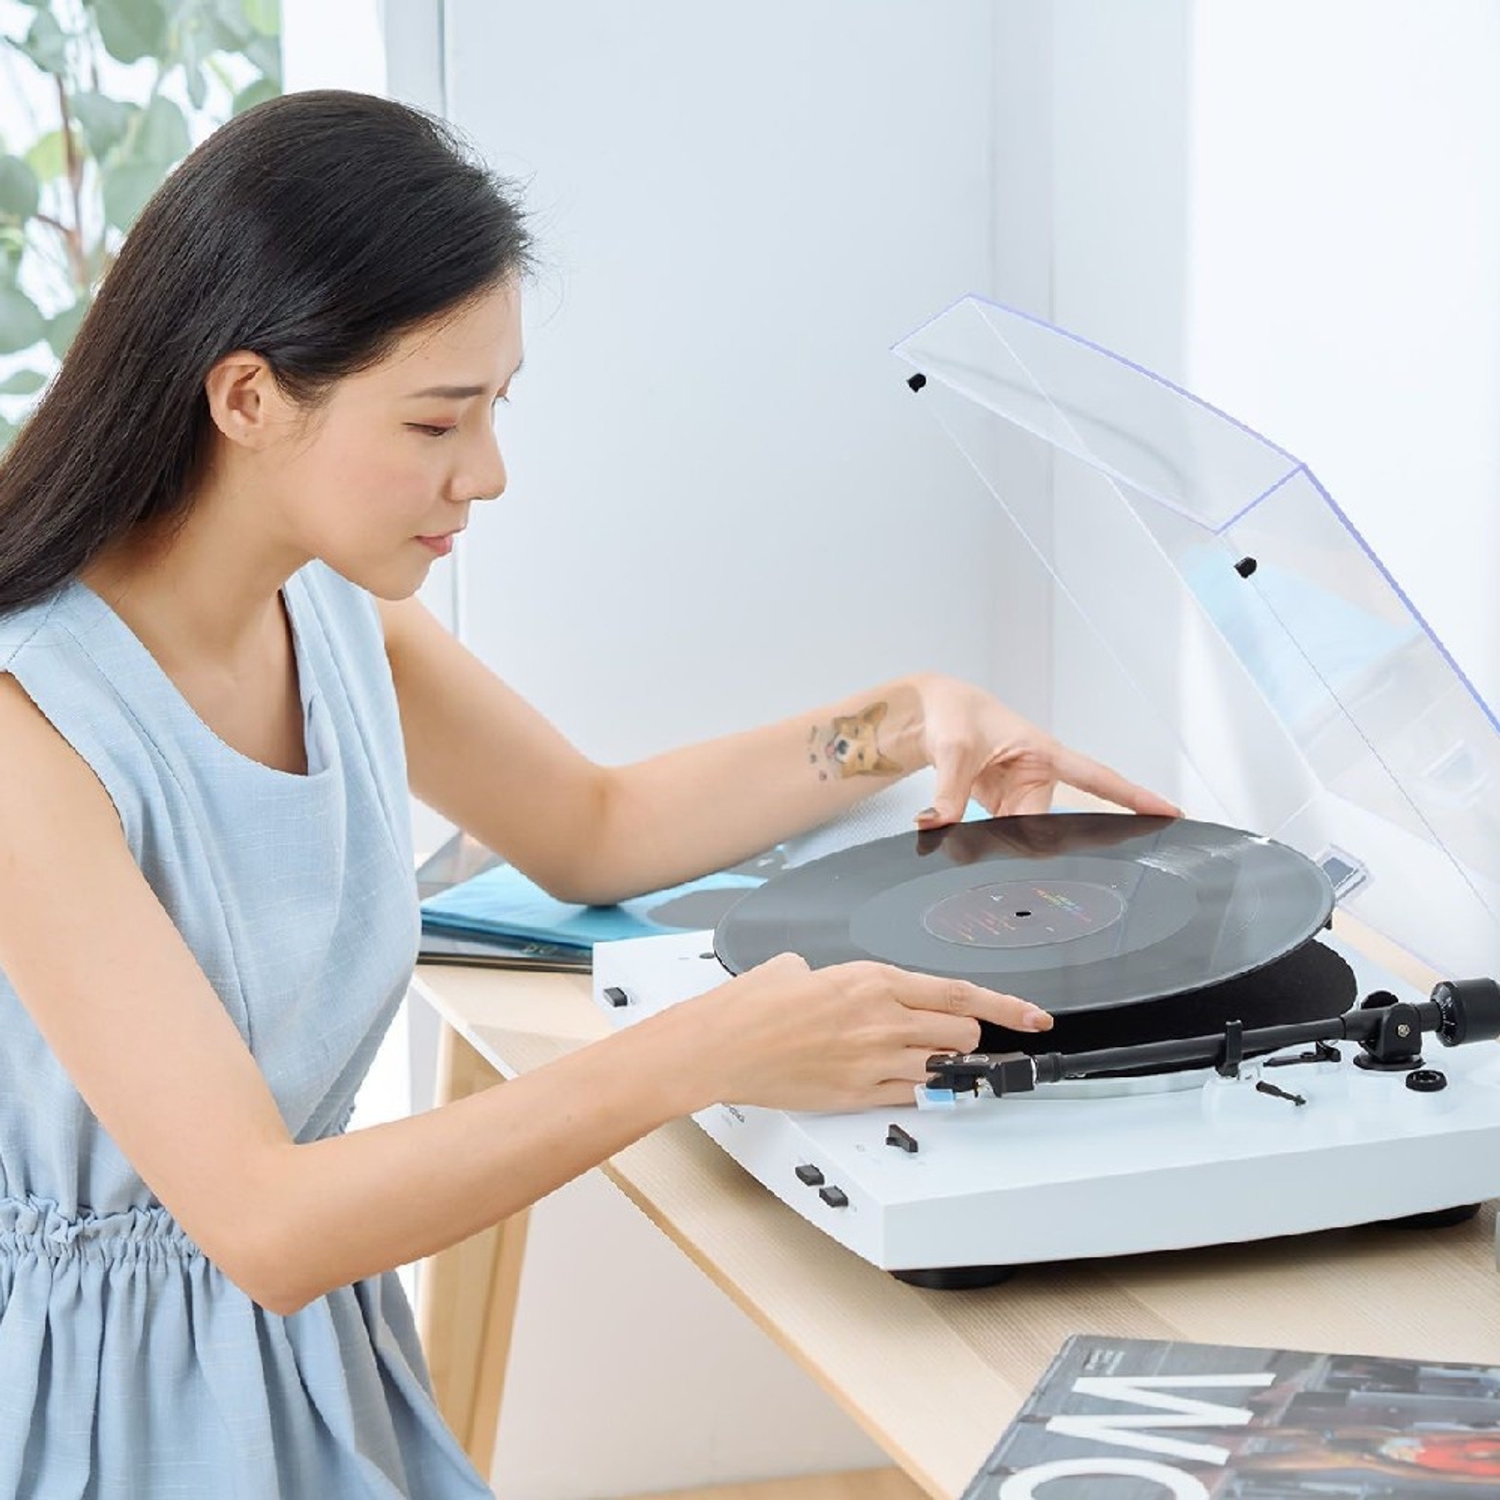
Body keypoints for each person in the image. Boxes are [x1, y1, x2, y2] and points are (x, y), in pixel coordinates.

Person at [0, 90, 1177, 1498]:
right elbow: (264, 1219)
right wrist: (707, 1050)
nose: (485, 474)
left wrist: (906, 721)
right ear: (248, 397)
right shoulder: (31, 720)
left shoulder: (327, 616)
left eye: (495, 410)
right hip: (109, 1419)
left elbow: (592, 828)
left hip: (313, 1359)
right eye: (439, 420)